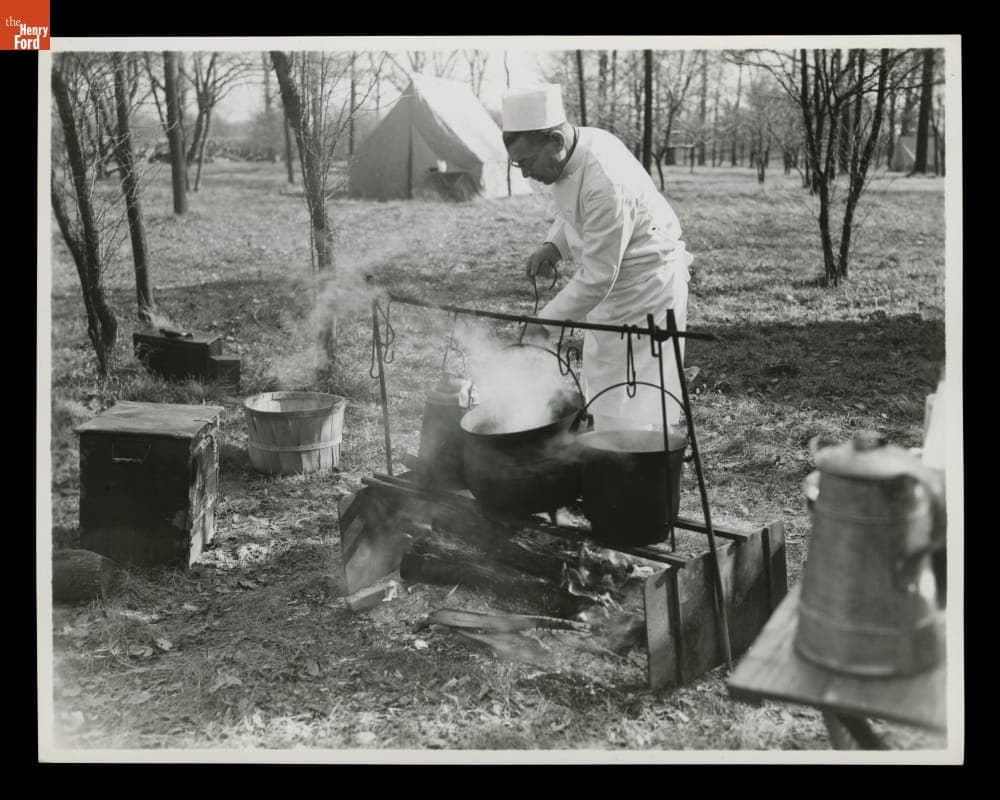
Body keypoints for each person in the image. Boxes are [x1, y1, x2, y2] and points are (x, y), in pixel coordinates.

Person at [502, 83, 694, 432]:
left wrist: (545, 322)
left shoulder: (606, 179)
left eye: (527, 163)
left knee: (637, 398)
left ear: (555, 142)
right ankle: (610, 454)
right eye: (519, 166)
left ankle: (636, 467)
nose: (526, 173)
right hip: (612, 285)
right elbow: (574, 211)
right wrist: (554, 245)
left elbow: (598, 276)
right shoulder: (574, 152)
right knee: (605, 385)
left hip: (646, 288)